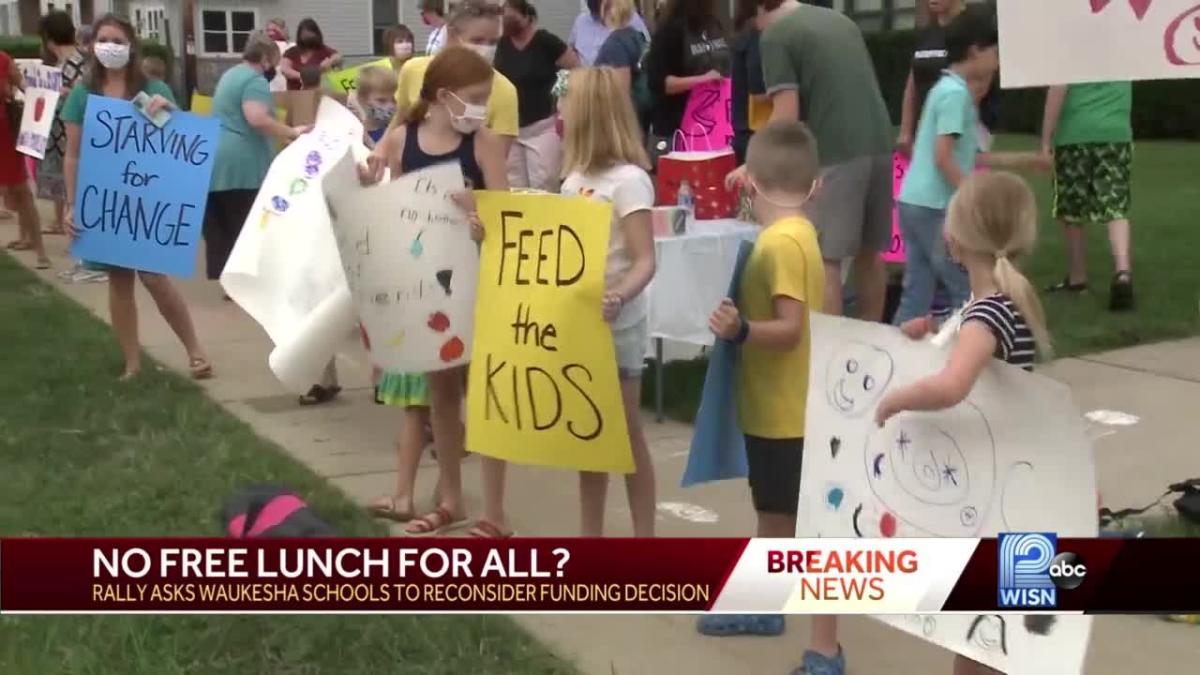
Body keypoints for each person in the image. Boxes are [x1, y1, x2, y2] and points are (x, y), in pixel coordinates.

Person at [875, 173, 1049, 675]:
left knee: (984, 631)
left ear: (956, 239)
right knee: (989, 631)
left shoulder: (987, 313)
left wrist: (897, 400)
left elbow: (954, 386)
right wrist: (928, 337)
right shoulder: (992, 305)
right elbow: (967, 361)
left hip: (994, 498)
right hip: (1014, 488)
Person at [702, 121, 841, 675]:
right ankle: (766, 598)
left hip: (783, 410)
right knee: (775, 512)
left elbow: (789, 328)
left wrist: (740, 332)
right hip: (787, 405)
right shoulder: (803, 233)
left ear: (752, 183)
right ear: (814, 187)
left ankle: (801, 628)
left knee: (789, 519)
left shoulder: (778, 245)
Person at [362, 46, 510, 537]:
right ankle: (451, 495)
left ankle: (492, 507)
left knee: (483, 391)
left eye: (486, 98)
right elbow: (397, 206)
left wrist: (479, 209)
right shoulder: (405, 139)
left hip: (477, 277)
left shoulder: (484, 142)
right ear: (444, 96)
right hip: (428, 282)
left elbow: (507, 213)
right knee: (442, 391)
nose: (481, 108)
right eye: (474, 98)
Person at [61, 14, 211, 380]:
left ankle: (195, 350)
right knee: (119, 280)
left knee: (155, 276)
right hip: (107, 199)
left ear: (131, 45)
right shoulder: (85, 94)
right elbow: (74, 153)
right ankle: (132, 362)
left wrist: (170, 112)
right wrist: (71, 203)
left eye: (117, 39)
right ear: (93, 45)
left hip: (146, 196)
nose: (110, 46)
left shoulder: (149, 89)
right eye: (103, 39)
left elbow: (175, 139)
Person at [559, 67, 657, 536]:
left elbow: (644, 260)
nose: (558, 112)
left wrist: (619, 296)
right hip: (581, 325)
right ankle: (590, 538)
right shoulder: (571, 179)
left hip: (619, 326)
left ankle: (644, 541)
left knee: (626, 433)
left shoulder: (630, 181)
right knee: (587, 438)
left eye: (566, 104)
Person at [752, 0, 893, 323]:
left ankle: (829, 353)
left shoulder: (775, 35)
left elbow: (786, 113)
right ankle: (871, 344)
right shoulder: (839, 21)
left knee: (827, 258)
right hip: (880, 141)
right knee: (869, 253)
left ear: (760, 12)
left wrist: (752, 162)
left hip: (837, 151)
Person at [205, 33, 305, 284]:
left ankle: (229, 279)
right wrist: (291, 132)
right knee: (245, 224)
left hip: (218, 158)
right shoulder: (254, 81)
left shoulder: (230, 75)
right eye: (273, 61)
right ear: (264, 58)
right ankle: (242, 283)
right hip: (243, 162)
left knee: (224, 226)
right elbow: (257, 118)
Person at [1040, 81, 1135, 311]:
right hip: (1116, 133)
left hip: (1075, 134)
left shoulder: (1070, 51)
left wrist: (1045, 140)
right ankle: (1122, 271)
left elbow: (1058, 88)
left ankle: (1077, 278)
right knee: (1115, 204)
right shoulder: (1123, 52)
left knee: (1072, 208)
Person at [383, 0, 518, 161]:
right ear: (452, 34)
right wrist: (380, 152)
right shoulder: (413, 70)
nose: (486, 49)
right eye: (477, 40)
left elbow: (498, 158)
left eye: (493, 42)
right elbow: (400, 119)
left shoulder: (504, 90)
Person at [495, 0, 579, 191]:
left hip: (542, 126)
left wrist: (561, 98)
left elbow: (575, 69)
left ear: (525, 15)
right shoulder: (500, 43)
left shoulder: (546, 41)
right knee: (515, 185)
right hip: (510, 128)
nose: (503, 21)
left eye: (508, 16)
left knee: (544, 183)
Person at [644, 0, 730, 160]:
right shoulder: (669, 31)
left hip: (714, 124)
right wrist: (703, 80)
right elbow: (661, 84)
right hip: (676, 129)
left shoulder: (714, 25)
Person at [37, 10, 85, 238]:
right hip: (60, 133)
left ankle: (78, 245)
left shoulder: (73, 64)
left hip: (68, 134)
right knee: (68, 189)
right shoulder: (69, 62)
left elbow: (82, 95)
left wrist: (62, 92)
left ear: (49, 38)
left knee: (72, 188)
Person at [896, 0, 966, 157]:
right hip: (921, 133)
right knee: (905, 180)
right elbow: (912, 85)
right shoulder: (926, 33)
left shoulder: (968, 32)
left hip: (954, 133)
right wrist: (906, 131)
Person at [0, 51, 47, 268]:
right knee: (16, 194)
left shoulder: (3, 60)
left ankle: (41, 251)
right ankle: (33, 244)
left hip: (6, 132)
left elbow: (25, 88)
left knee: (22, 191)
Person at [729, 0, 768, 165]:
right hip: (755, 131)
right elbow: (758, 91)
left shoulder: (745, 31)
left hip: (746, 129)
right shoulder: (757, 33)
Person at [594, 0, 649, 99]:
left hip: (623, 106)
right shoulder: (637, 35)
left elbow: (623, 88)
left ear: (607, 11)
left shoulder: (615, 43)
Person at [570, 0, 650, 66]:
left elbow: (646, 53)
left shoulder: (628, 18)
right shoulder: (581, 21)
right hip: (584, 80)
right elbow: (572, 51)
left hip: (618, 79)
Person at [280, 18, 341, 91]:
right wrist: (306, 77)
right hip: (295, 95)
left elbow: (338, 57)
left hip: (317, 94)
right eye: (305, 35)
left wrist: (330, 62)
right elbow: (285, 70)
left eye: (310, 35)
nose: (308, 38)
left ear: (317, 34)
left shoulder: (323, 50)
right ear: (300, 36)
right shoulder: (291, 52)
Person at [355, 65, 399, 147]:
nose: (391, 105)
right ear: (362, 99)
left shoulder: (399, 128)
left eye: (394, 99)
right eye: (381, 100)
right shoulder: (354, 131)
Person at [265, 17, 292, 93]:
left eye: (274, 30)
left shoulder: (292, 46)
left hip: (287, 87)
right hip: (271, 86)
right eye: (268, 30)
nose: (271, 33)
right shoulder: (265, 47)